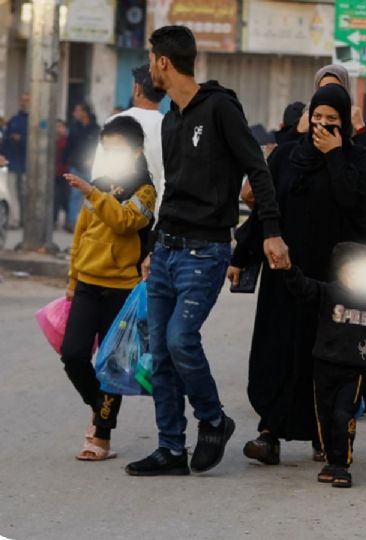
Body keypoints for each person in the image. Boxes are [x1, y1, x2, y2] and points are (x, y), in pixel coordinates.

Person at [125, 25, 290, 477]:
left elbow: (258, 168)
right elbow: (171, 191)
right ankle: (171, 449)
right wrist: (152, 246)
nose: (150, 66)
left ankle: (214, 419)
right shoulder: (171, 120)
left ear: (162, 62)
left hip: (206, 251)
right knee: (159, 352)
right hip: (168, 249)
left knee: (180, 338)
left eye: (151, 58)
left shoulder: (219, 108)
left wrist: (271, 232)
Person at [229, 83, 366, 465]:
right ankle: (268, 432)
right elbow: (266, 211)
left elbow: (355, 206)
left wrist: (336, 156)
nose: (323, 127)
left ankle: (323, 435)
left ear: (344, 124)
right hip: (285, 276)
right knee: (275, 350)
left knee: (324, 356)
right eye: (318, 119)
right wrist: (243, 254)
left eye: (333, 121)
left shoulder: (358, 162)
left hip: (330, 283)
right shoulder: (285, 157)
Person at [60, 116, 157, 462]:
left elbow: (124, 222)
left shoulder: (145, 189)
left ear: (137, 151)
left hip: (122, 289)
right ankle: (99, 406)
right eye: (108, 148)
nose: (113, 153)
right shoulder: (98, 184)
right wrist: (72, 281)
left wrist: (92, 192)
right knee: (72, 355)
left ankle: (101, 436)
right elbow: (81, 234)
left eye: (120, 148)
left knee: (111, 366)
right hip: (87, 283)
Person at [283, 242, 366, 489]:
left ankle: (342, 465)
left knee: (342, 415)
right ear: (345, 269)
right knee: (324, 417)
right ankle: (330, 459)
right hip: (324, 367)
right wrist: (288, 269)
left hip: (354, 371)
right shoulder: (328, 292)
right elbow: (303, 288)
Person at [91, 64, 167, 206]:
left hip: (118, 213)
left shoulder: (115, 122)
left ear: (137, 89)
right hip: (155, 215)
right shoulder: (169, 126)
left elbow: (99, 173)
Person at [65, 103, 101, 231]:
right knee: (74, 196)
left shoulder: (96, 129)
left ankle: (88, 224)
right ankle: (72, 224)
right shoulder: (74, 128)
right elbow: (69, 146)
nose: (75, 112)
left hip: (90, 169)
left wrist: (93, 159)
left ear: (85, 112)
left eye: (78, 110)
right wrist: (67, 160)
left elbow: (99, 148)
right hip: (76, 167)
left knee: (90, 197)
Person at [2, 94, 29, 227]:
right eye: (22, 101)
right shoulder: (14, 119)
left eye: (27, 101)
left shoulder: (35, 119)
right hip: (12, 161)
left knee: (25, 193)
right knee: (12, 192)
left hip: (27, 163)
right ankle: (15, 219)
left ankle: (25, 219)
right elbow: (6, 138)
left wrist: (22, 139)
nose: (24, 103)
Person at [53, 120, 70, 228]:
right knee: (55, 198)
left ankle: (68, 220)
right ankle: (54, 221)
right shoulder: (52, 140)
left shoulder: (66, 140)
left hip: (65, 173)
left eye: (60, 126)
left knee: (65, 199)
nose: (58, 129)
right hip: (55, 173)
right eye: (56, 127)